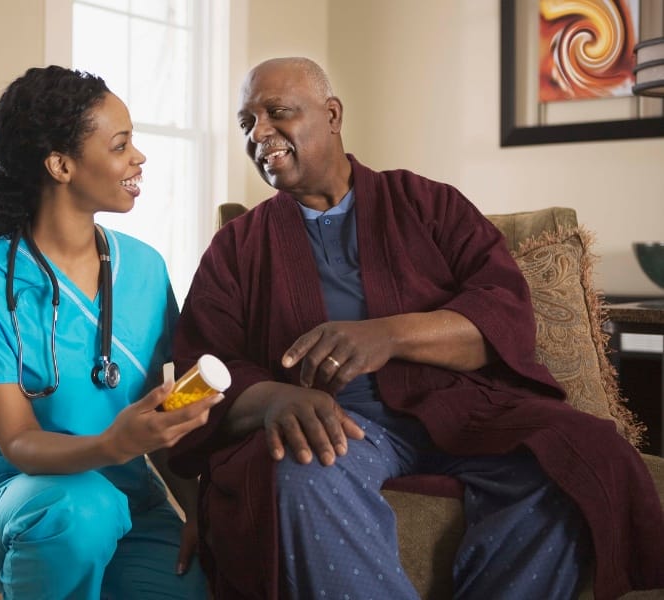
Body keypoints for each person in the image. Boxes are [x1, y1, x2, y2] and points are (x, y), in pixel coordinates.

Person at [168, 57, 664, 600]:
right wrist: (271, 400)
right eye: (247, 123)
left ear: (332, 115)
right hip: (339, 423)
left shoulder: (431, 205)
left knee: (575, 457)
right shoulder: (238, 247)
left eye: (277, 112)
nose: (259, 133)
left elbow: (504, 313)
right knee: (301, 470)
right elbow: (203, 368)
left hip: (461, 407)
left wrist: (389, 335)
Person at [0, 65, 219, 600]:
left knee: (192, 586)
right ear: (61, 165)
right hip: (19, 502)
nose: (139, 157)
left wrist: (199, 509)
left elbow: (162, 415)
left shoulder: (146, 269)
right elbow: (16, 441)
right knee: (83, 512)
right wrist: (112, 443)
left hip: (131, 502)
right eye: (120, 145)